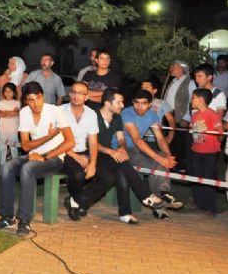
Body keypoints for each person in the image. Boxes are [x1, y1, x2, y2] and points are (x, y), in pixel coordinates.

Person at [63, 88, 166, 224]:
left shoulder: (117, 117)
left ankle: (77, 201)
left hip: (106, 155)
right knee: (114, 174)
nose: (123, 105)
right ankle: (141, 199)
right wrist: (112, 152)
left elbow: (121, 138)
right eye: (119, 102)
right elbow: (92, 143)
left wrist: (122, 149)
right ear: (107, 103)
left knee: (122, 169)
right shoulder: (93, 116)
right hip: (91, 154)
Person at [0, 82, 75, 237]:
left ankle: (24, 221)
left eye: (38, 98)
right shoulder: (25, 112)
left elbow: (70, 141)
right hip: (34, 154)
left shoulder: (55, 111)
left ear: (42, 96)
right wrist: (49, 136)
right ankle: (7, 216)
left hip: (55, 157)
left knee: (27, 169)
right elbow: (25, 145)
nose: (36, 103)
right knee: (7, 167)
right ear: (26, 100)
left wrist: (45, 156)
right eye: (31, 100)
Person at [120, 89, 182, 217]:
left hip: (140, 147)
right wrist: (161, 159)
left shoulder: (153, 115)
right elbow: (136, 139)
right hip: (125, 149)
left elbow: (160, 138)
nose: (139, 106)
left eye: (143, 103)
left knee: (162, 159)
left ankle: (163, 194)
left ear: (150, 104)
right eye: (136, 103)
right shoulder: (127, 112)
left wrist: (168, 156)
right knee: (156, 163)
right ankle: (160, 204)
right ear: (132, 102)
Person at [60, 81, 98, 202]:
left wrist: (92, 163)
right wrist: (75, 156)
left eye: (81, 93)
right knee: (78, 174)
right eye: (74, 92)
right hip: (63, 152)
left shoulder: (91, 114)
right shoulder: (59, 111)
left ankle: (75, 201)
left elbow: (93, 142)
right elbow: (55, 141)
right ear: (70, 94)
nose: (77, 96)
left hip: (83, 152)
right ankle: (78, 201)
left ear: (87, 97)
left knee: (106, 174)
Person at [188, 88, 222, 216]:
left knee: (208, 178)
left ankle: (211, 207)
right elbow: (192, 130)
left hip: (209, 152)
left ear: (201, 100)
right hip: (196, 150)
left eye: (193, 98)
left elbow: (220, 133)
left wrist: (215, 142)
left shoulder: (212, 114)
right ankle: (199, 202)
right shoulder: (195, 115)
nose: (191, 100)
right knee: (196, 177)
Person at [162, 60, 194, 171]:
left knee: (180, 143)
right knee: (171, 141)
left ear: (181, 69)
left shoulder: (190, 82)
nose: (171, 68)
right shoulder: (173, 81)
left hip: (181, 117)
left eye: (173, 67)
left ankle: (181, 166)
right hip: (169, 115)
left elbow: (192, 101)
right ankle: (172, 164)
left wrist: (187, 118)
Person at [141, 79, 176, 145]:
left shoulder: (161, 103)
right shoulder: (137, 103)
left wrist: (170, 137)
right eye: (142, 87)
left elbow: (171, 120)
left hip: (156, 140)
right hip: (140, 139)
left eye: (147, 87)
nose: (143, 90)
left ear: (154, 91)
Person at [0, 83, 20, 166]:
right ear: (3, 92)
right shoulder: (1, 103)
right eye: (6, 91)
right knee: (2, 149)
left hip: (13, 129)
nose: (8, 93)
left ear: (14, 93)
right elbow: (0, 115)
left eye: (10, 91)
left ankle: (15, 166)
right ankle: (2, 167)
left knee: (14, 148)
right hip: (3, 129)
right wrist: (12, 112)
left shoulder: (17, 103)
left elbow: (16, 113)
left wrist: (5, 112)